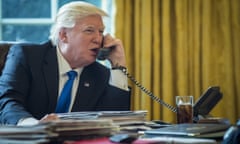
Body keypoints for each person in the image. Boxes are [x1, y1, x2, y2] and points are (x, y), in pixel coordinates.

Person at [0, 1, 130, 125]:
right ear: (63, 35)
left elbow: (115, 121)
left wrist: (118, 67)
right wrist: (33, 125)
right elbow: (8, 102)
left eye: (101, 32)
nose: (98, 39)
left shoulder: (100, 74)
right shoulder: (26, 57)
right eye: (89, 30)